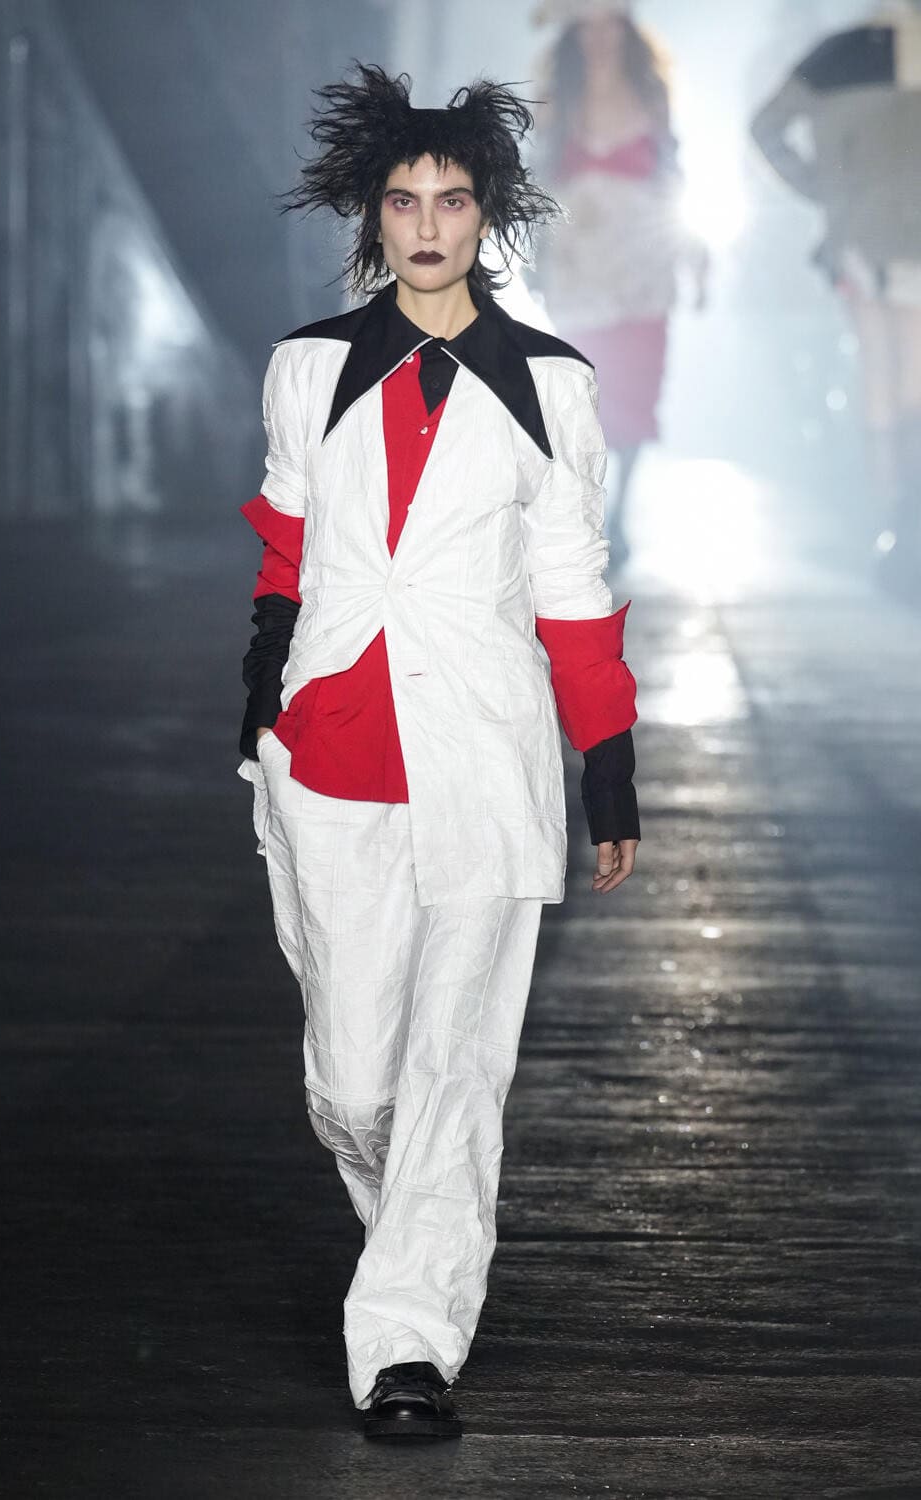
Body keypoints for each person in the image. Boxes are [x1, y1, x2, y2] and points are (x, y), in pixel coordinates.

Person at [237, 62, 640, 1442]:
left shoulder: (551, 389)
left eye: (452, 201)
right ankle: (411, 1234)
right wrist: (260, 710)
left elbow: (573, 587)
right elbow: (285, 554)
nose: (426, 225)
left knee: (454, 1069)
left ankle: (407, 1342)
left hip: (484, 751)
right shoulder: (307, 370)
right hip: (331, 751)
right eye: (403, 201)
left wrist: (607, 766)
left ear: (487, 215)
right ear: (373, 214)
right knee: (357, 1083)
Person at [751, 0, 921, 590]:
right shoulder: (839, 52)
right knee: (905, 376)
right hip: (884, 241)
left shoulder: (835, 55)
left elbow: (765, 128)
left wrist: (826, 189)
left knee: (883, 373)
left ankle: (895, 520)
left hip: (861, 237)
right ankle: (904, 523)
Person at [532, 0, 708, 564]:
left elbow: (673, 176)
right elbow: (536, 179)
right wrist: (533, 254)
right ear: (574, 37)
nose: (601, 40)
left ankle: (620, 511)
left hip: (643, 268)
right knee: (582, 385)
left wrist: (695, 252)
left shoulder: (652, 95)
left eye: (610, 27)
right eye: (589, 28)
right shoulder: (558, 101)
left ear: (628, 33)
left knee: (636, 387)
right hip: (579, 267)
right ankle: (585, 506)